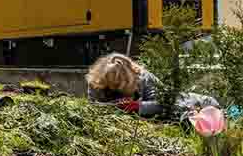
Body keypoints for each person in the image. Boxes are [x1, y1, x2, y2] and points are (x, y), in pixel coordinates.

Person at [86, 52, 218, 118]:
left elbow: (164, 103)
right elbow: (93, 107)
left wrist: (138, 106)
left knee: (200, 106)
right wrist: (113, 107)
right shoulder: (95, 81)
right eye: (112, 85)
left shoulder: (143, 77)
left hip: (195, 104)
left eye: (120, 87)